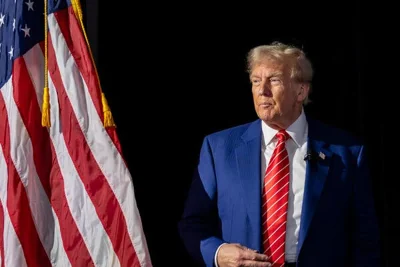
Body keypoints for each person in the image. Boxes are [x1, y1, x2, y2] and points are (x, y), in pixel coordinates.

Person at [178, 41, 380, 267]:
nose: (262, 90)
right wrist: (218, 253)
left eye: (273, 80)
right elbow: (192, 223)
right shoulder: (219, 148)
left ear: (301, 91)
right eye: (255, 81)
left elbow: (365, 238)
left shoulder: (347, 152)